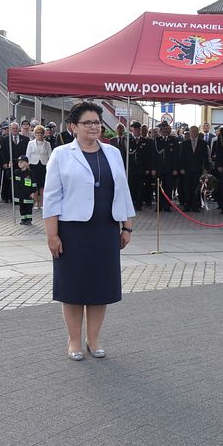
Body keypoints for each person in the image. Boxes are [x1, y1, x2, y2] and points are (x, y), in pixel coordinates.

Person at [43, 101, 135, 361]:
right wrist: (52, 235)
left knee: (100, 288)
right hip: (72, 231)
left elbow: (123, 191)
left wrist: (127, 226)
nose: (94, 127)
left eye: (97, 122)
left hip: (105, 229)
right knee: (73, 289)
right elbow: (51, 198)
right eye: (88, 123)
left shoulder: (112, 153)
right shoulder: (61, 154)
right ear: (73, 126)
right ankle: (73, 340)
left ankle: (93, 339)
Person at [178, 125, 210, 212]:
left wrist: (206, 168)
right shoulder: (185, 144)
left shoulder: (203, 144)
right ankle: (187, 205)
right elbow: (181, 157)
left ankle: (195, 206)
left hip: (198, 170)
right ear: (190, 133)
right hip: (187, 170)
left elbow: (205, 157)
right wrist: (181, 168)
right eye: (192, 131)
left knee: (196, 189)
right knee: (187, 188)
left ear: (198, 132)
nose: (193, 133)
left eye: (195, 131)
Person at [0, 122, 29, 203]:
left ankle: (19, 198)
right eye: (13, 128)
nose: (15, 130)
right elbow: (3, 152)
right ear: (10, 129)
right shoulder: (5, 139)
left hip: (21, 163)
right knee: (9, 181)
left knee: (20, 181)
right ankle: (9, 197)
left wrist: (25, 162)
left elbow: (27, 152)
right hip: (10, 163)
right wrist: (5, 163)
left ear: (19, 129)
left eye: (16, 128)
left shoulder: (25, 139)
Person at [153, 121, 179, 211]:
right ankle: (159, 205)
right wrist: (153, 168)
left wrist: (175, 168)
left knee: (168, 188)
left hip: (169, 169)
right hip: (159, 169)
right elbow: (153, 156)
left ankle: (167, 206)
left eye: (166, 129)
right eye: (163, 129)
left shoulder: (174, 140)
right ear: (160, 130)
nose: (165, 130)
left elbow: (176, 156)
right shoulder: (156, 140)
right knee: (158, 188)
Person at [26, 125, 52, 209]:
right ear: (34, 134)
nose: (39, 134)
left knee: (43, 185)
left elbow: (50, 156)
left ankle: (43, 203)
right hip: (34, 165)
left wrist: (50, 166)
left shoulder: (47, 144)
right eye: (37, 133)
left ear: (43, 134)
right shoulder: (30, 143)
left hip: (44, 165)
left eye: (40, 133)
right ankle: (36, 202)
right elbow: (28, 155)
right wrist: (28, 166)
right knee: (35, 184)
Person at [126, 121, 149, 212]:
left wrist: (147, 168)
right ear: (132, 130)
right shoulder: (128, 140)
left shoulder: (145, 141)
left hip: (141, 169)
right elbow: (124, 155)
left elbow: (148, 156)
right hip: (131, 169)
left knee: (140, 187)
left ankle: (139, 204)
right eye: (135, 129)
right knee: (131, 187)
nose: (137, 131)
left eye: (138, 129)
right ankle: (131, 204)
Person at [13, 156, 37, 225]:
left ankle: (29, 219)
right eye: (18, 162)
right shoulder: (17, 172)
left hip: (28, 195)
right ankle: (23, 219)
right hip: (20, 195)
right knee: (22, 208)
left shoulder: (30, 173)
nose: (19, 164)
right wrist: (10, 168)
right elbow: (10, 177)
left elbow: (34, 183)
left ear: (27, 163)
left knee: (28, 208)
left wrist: (33, 192)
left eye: (21, 162)